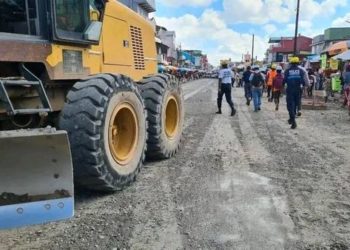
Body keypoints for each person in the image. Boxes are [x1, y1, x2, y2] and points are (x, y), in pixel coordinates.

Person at [284, 57, 307, 129]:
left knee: (290, 106)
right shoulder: (301, 71)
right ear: (298, 63)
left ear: (291, 63)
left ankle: (293, 121)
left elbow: (284, 81)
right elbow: (304, 82)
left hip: (290, 90)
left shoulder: (287, 71)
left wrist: (282, 87)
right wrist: (304, 88)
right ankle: (292, 119)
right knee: (296, 105)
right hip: (298, 90)